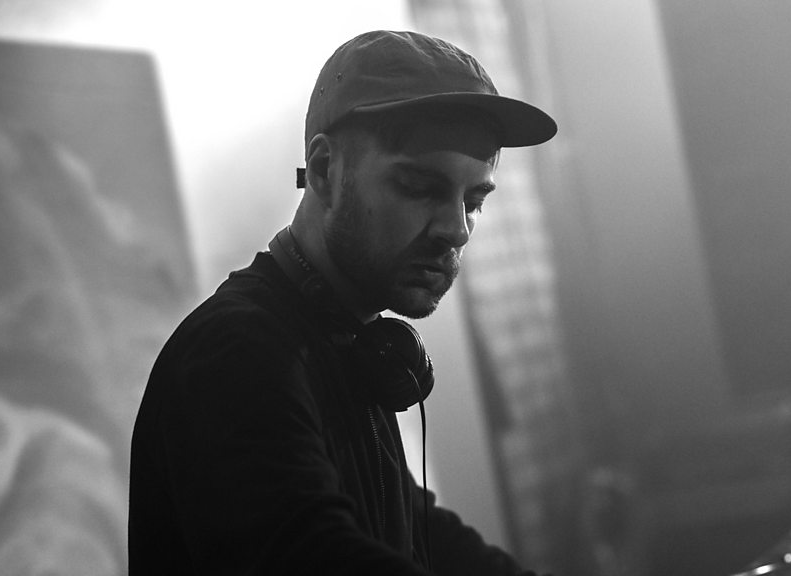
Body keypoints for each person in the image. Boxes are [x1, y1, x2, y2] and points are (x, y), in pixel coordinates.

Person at [128, 30, 557, 575]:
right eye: (419, 187)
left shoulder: (346, 341)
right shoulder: (236, 353)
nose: (457, 229)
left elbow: (419, 528)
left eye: (473, 200)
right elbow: (319, 557)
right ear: (325, 171)